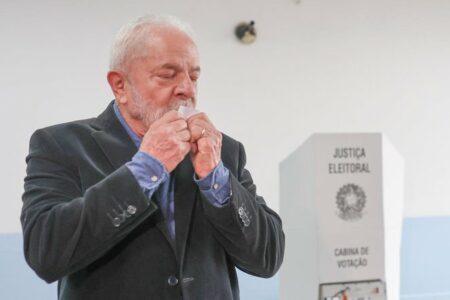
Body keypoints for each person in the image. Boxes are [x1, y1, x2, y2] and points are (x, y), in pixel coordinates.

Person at [21, 15, 284, 300]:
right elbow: (45, 252)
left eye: (193, 76)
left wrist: (217, 179)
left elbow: (268, 258)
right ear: (120, 85)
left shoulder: (224, 151)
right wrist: (145, 168)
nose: (188, 89)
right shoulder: (61, 145)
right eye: (168, 75)